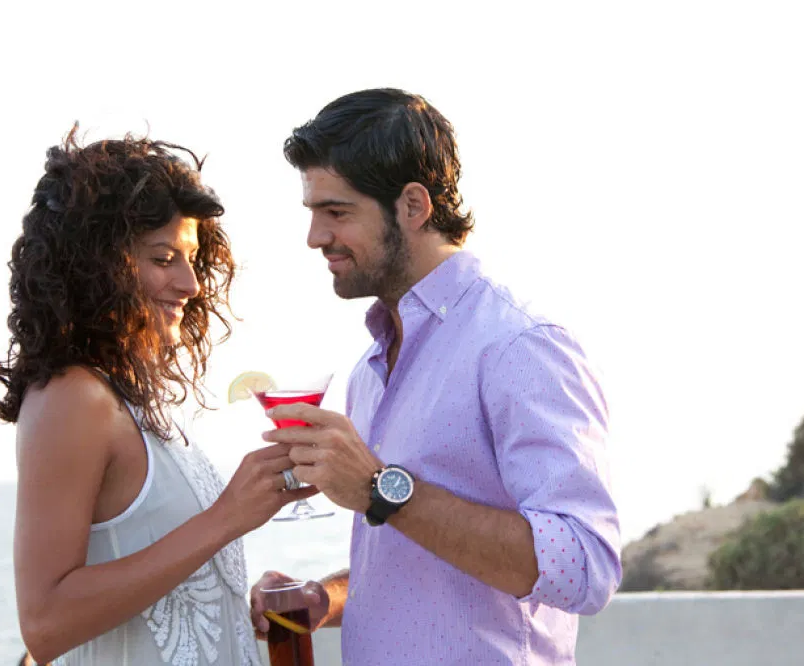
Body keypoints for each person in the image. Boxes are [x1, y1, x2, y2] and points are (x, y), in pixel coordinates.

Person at [249, 89, 622, 665]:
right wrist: (329, 596)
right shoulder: (370, 370)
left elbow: (584, 565)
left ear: (413, 206)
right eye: (313, 213)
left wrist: (380, 489)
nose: (315, 237)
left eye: (337, 212)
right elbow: (421, 557)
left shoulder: (519, 346)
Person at [0, 125, 315, 666]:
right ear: (97, 266)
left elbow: (160, 584)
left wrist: (230, 603)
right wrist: (227, 517)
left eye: (191, 258)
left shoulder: (132, 399)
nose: (191, 284)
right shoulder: (73, 398)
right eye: (163, 259)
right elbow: (45, 624)